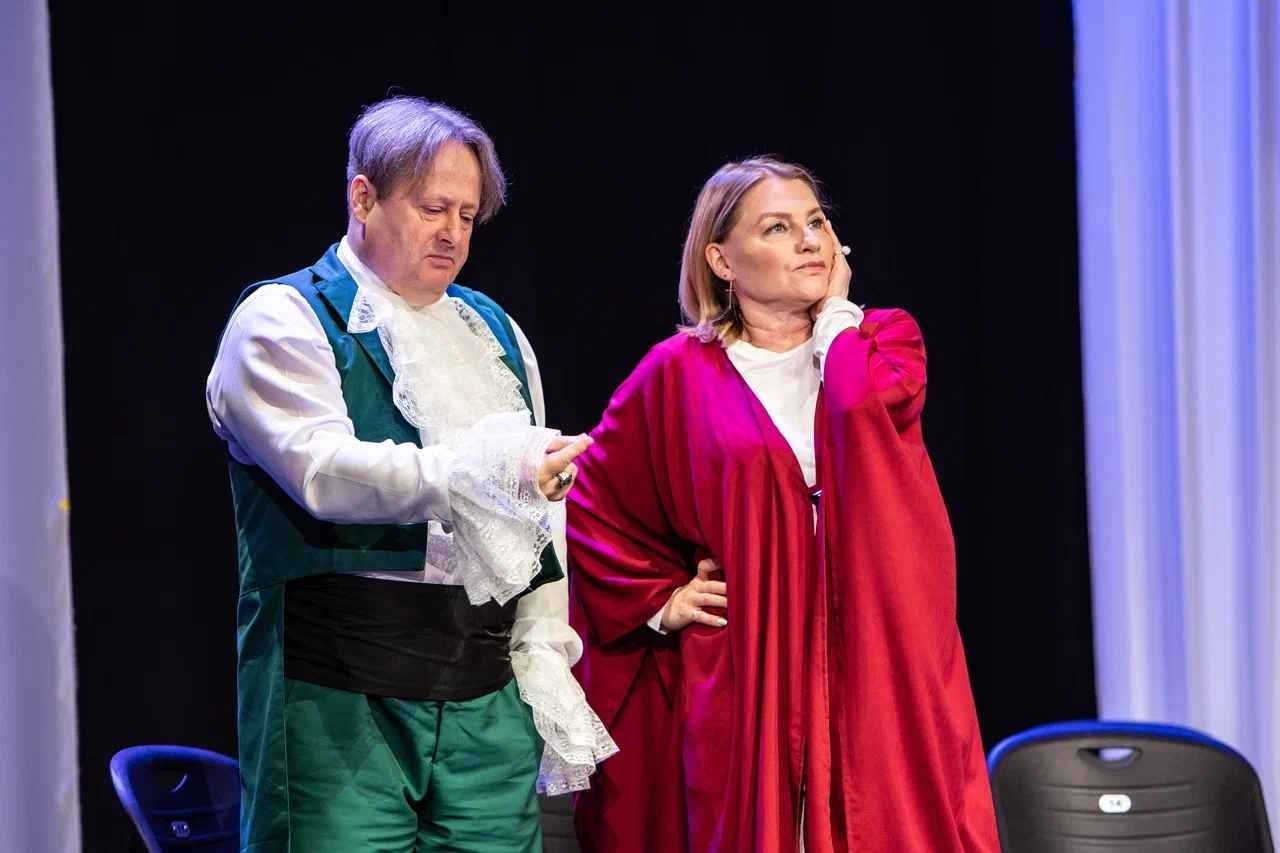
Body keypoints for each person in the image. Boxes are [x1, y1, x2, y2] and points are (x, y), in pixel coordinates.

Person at [206, 96, 615, 853]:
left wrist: (543, 648)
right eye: (433, 208)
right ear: (363, 198)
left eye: (467, 214)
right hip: (339, 696)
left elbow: (539, 516)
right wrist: (485, 473)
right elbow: (323, 471)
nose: (453, 232)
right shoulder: (284, 319)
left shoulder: (495, 331)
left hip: (485, 697)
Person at [567, 157, 999, 852]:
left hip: (879, 649)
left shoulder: (884, 342)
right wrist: (659, 600)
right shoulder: (678, 374)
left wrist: (836, 322)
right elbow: (592, 500)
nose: (808, 241)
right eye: (777, 227)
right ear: (721, 260)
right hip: (752, 660)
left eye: (816, 222)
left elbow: (856, 410)